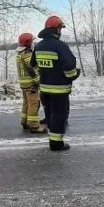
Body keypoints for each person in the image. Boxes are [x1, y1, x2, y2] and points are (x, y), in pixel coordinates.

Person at [31, 15, 80, 151]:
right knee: (59, 115)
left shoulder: (39, 46)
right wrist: (74, 75)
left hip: (45, 89)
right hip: (59, 90)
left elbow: (33, 64)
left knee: (50, 114)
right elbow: (69, 68)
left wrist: (45, 73)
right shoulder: (60, 46)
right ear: (56, 30)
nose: (61, 31)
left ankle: (52, 139)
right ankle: (56, 143)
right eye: (60, 28)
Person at [15, 33, 45, 134]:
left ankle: (24, 122)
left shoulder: (19, 53)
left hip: (23, 83)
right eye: (32, 41)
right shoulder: (27, 53)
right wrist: (37, 80)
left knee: (26, 102)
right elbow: (31, 68)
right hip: (30, 83)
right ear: (28, 43)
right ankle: (34, 125)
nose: (33, 43)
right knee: (34, 103)